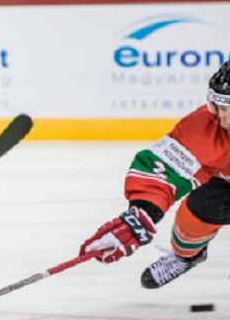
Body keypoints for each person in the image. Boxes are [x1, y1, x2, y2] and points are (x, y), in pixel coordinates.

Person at [79, 61, 230, 288]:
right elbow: (162, 170)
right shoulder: (204, 127)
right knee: (195, 216)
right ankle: (186, 257)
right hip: (223, 183)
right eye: (221, 107)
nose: (223, 119)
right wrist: (141, 214)